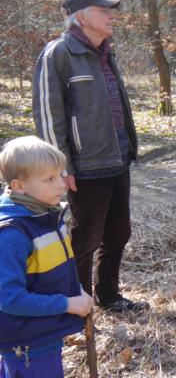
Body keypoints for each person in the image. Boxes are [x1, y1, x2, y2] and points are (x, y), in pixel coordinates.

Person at [32, 0, 147, 312]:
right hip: (86, 165)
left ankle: (107, 296)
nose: (111, 16)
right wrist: (59, 166)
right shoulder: (58, 54)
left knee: (119, 232)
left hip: (118, 157)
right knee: (86, 239)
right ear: (81, 17)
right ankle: (78, 307)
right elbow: (48, 114)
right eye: (103, 10)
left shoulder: (106, 53)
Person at [0, 136, 94, 377]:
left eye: (61, 175)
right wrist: (67, 304)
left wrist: (77, 291)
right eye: (50, 179)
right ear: (19, 186)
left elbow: (57, 268)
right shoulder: (12, 234)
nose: (61, 184)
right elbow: (9, 298)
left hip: (42, 333)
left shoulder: (45, 216)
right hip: (26, 343)